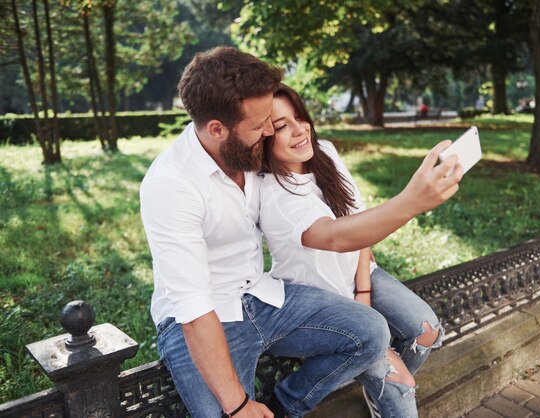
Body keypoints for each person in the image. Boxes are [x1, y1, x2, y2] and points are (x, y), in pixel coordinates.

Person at [140, 46, 462, 418]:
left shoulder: (248, 156)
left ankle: (285, 404)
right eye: (262, 124)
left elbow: (331, 222)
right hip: (202, 317)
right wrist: (239, 404)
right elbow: (194, 310)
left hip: (260, 295)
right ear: (217, 129)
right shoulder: (171, 185)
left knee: (371, 331)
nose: (267, 132)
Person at [259, 84, 445, 418]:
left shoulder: (325, 152)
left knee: (426, 330)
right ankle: (380, 380)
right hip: (320, 300)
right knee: (401, 385)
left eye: (299, 116)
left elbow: (357, 222)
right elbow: (335, 237)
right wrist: (410, 202)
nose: (299, 129)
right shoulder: (274, 196)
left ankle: (374, 383)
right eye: (282, 126)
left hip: (361, 272)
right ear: (263, 139)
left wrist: (363, 289)